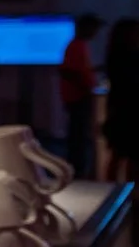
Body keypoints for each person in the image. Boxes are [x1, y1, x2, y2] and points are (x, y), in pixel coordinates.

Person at [59, 13, 105, 179]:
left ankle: (78, 167)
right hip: (77, 96)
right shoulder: (76, 46)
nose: (95, 33)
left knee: (79, 132)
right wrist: (86, 87)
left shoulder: (79, 45)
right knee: (78, 133)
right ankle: (77, 168)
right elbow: (70, 71)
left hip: (78, 95)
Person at [102, 18, 138, 182]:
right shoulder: (128, 57)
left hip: (119, 112)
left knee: (119, 156)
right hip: (127, 112)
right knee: (129, 156)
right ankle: (130, 190)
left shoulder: (114, 56)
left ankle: (114, 190)